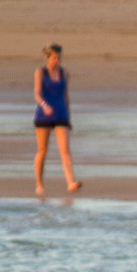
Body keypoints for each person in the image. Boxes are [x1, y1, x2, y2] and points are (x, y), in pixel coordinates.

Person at [32, 43, 79, 197]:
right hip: (43, 115)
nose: (56, 61)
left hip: (60, 114)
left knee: (65, 150)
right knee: (42, 150)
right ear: (48, 57)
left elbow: (66, 96)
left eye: (59, 58)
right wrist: (45, 106)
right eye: (54, 58)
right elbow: (37, 94)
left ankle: (70, 182)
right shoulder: (40, 72)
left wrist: (68, 115)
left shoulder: (64, 73)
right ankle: (39, 184)